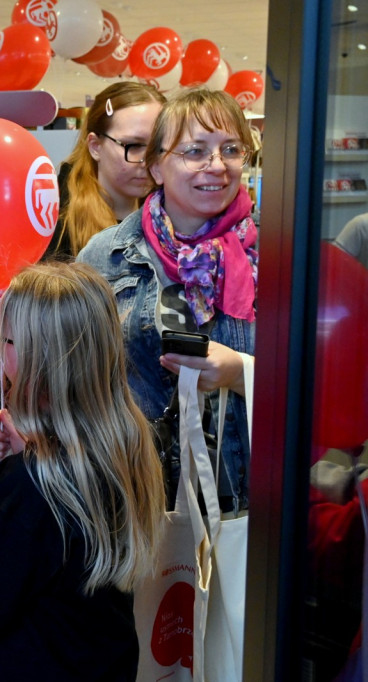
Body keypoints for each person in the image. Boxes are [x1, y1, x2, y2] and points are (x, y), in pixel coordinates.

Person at [0, 262, 166, 680]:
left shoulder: (34, 482)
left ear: (39, 358)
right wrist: (21, 456)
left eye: (4, 338)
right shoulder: (123, 443)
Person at [78, 88, 257, 510]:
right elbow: (77, 378)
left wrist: (241, 372)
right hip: (135, 496)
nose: (217, 166)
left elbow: (309, 385)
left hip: (244, 503)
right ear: (156, 166)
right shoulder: (106, 256)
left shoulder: (275, 255)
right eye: (195, 151)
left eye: (231, 149)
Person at [44, 82, 165, 260]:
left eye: (158, 147)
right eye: (133, 145)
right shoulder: (56, 226)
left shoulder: (169, 219)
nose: (148, 161)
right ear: (95, 146)